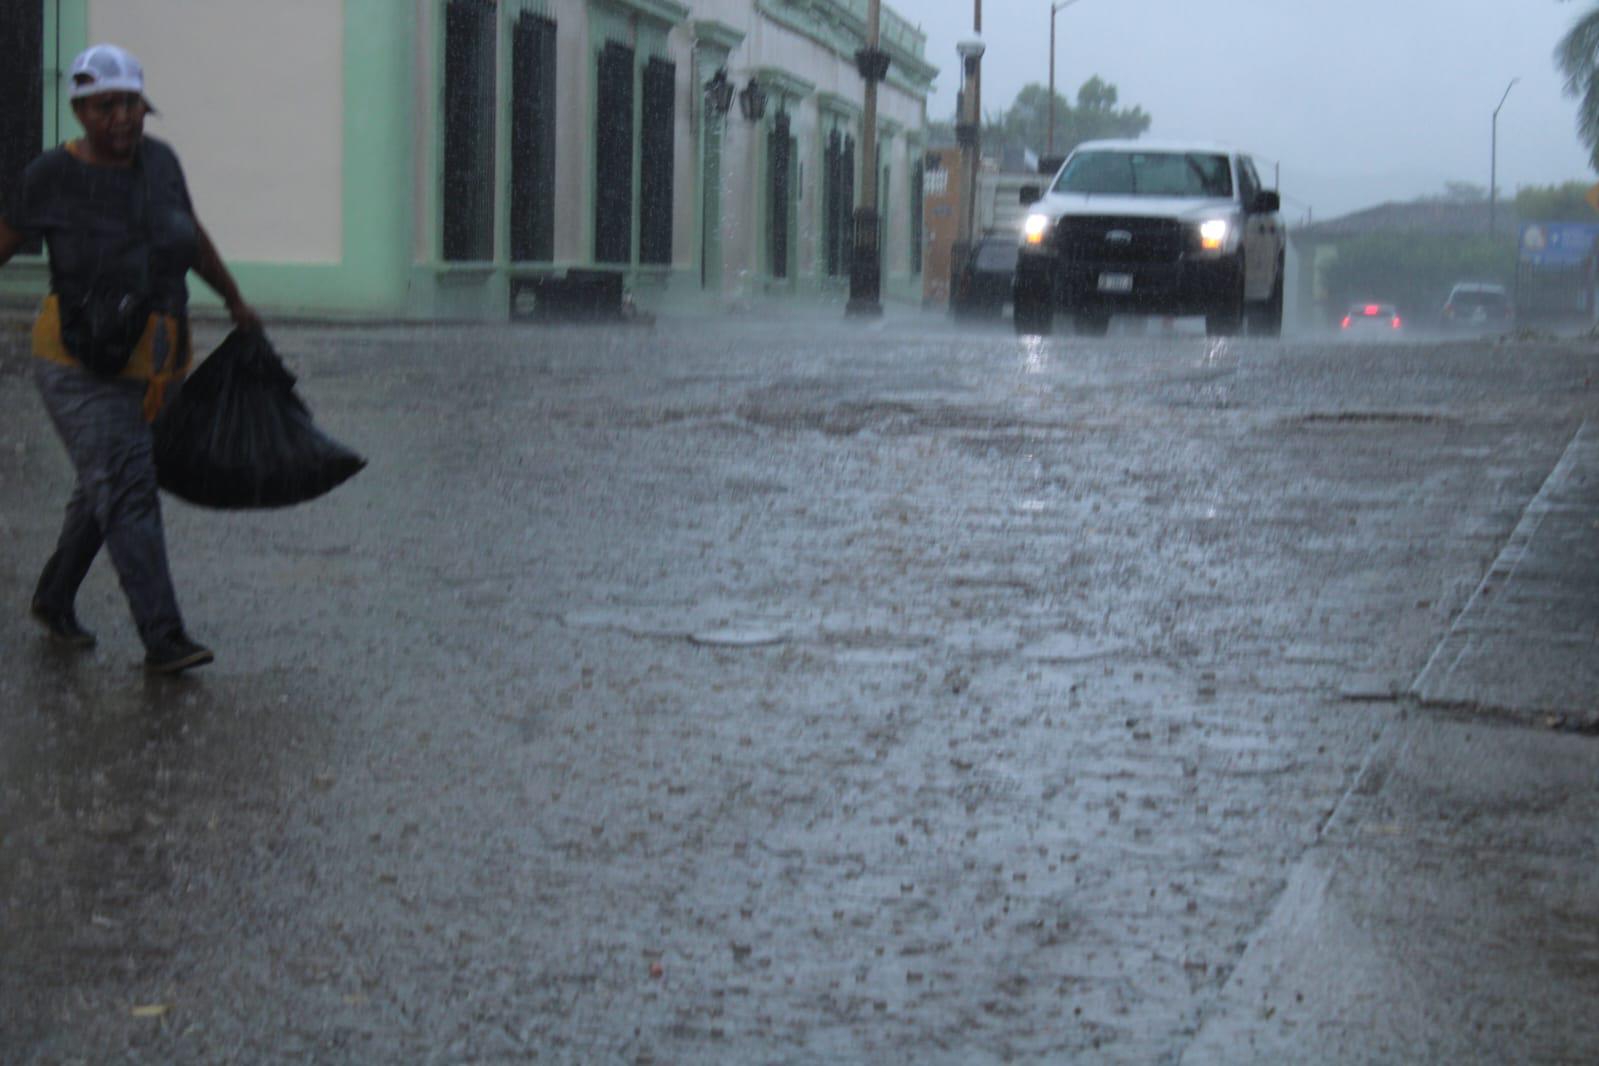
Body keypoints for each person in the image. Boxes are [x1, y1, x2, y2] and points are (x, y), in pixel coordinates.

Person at [0, 43, 260, 674]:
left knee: (110, 482)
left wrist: (233, 300)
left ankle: (55, 596)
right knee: (128, 485)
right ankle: (164, 638)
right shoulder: (50, 176)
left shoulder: (162, 162)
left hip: (159, 363)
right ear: (80, 110)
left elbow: (189, 235)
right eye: (103, 106)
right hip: (77, 364)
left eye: (130, 103)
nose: (120, 117)